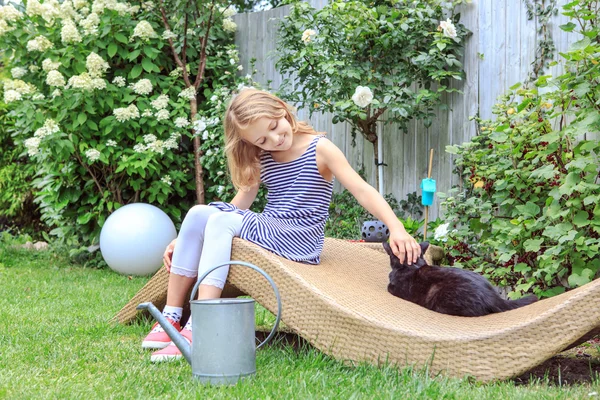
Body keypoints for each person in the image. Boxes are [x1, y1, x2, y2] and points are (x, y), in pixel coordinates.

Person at [142, 88, 421, 362]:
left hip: (300, 238)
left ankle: (202, 325)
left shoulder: (319, 148)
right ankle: (172, 316)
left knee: (220, 220)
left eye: (276, 127)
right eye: (263, 139)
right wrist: (191, 236)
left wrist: (396, 227)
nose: (275, 139)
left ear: (282, 110)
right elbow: (240, 203)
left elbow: (362, 190)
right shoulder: (262, 156)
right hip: (271, 228)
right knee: (198, 213)